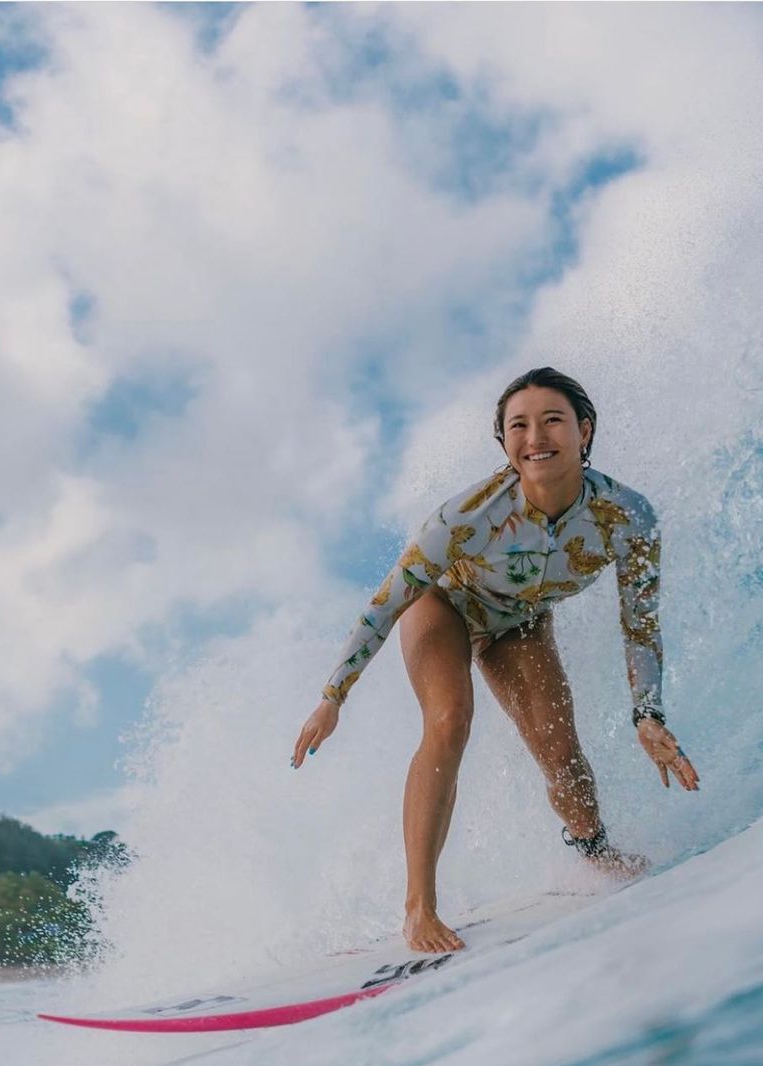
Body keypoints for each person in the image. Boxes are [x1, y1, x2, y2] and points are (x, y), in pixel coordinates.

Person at [292, 368, 699, 953]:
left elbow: (641, 624)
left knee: (561, 753)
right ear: (505, 441)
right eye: (519, 425)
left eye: (552, 420)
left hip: (519, 624)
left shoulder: (627, 517)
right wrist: (333, 697)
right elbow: (385, 604)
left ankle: (594, 852)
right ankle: (419, 909)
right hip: (445, 606)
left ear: (584, 431)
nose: (536, 435)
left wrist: (648, 714)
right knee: (450, 719)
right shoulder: (464, 518)